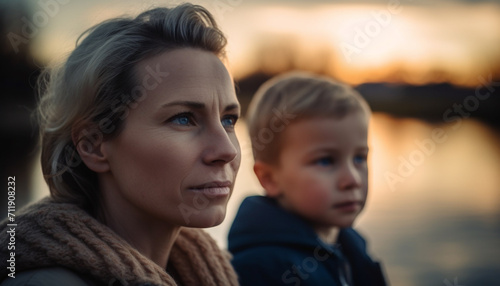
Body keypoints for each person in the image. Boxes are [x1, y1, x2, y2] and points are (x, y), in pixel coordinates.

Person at [0, 3, 241, 286]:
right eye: (184, 119)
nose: (227, 151)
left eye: (228, 120)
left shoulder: (207, 271)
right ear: (92, 145)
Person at [228, 72, 387, 286]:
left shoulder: (351, 249)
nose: (352, 180)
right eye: (325, 161)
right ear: (270, 179)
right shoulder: (261, 271)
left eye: (359, 157)